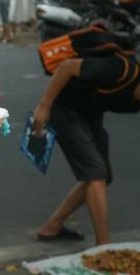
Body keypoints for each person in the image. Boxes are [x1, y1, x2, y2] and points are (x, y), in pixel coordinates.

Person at [33, 52, 140, 246]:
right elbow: (66, 66)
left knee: (102, 176)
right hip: (63, 109)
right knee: (96, 174)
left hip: (89, 114)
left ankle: (52, 226)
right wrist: (43, 107)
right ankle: (103, 245)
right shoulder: (119, 69)